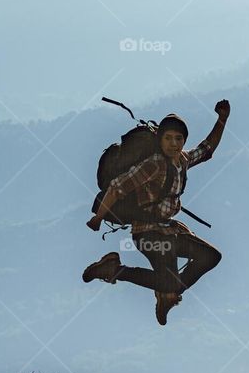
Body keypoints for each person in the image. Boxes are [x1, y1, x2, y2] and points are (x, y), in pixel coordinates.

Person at [83, 100, 230, 324]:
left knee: (210, 256)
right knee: (170, 282)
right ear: (160, 139)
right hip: (147, 234)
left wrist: (222, 119)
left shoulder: (183, 160)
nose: (173, 144)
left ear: (184, 141)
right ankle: (115, 270)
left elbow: (207, 149)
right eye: (168, 138)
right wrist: (98, 217)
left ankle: (167, 294)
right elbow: (117, 188)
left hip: (170, 231)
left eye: (178, 139)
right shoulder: (153, 165)